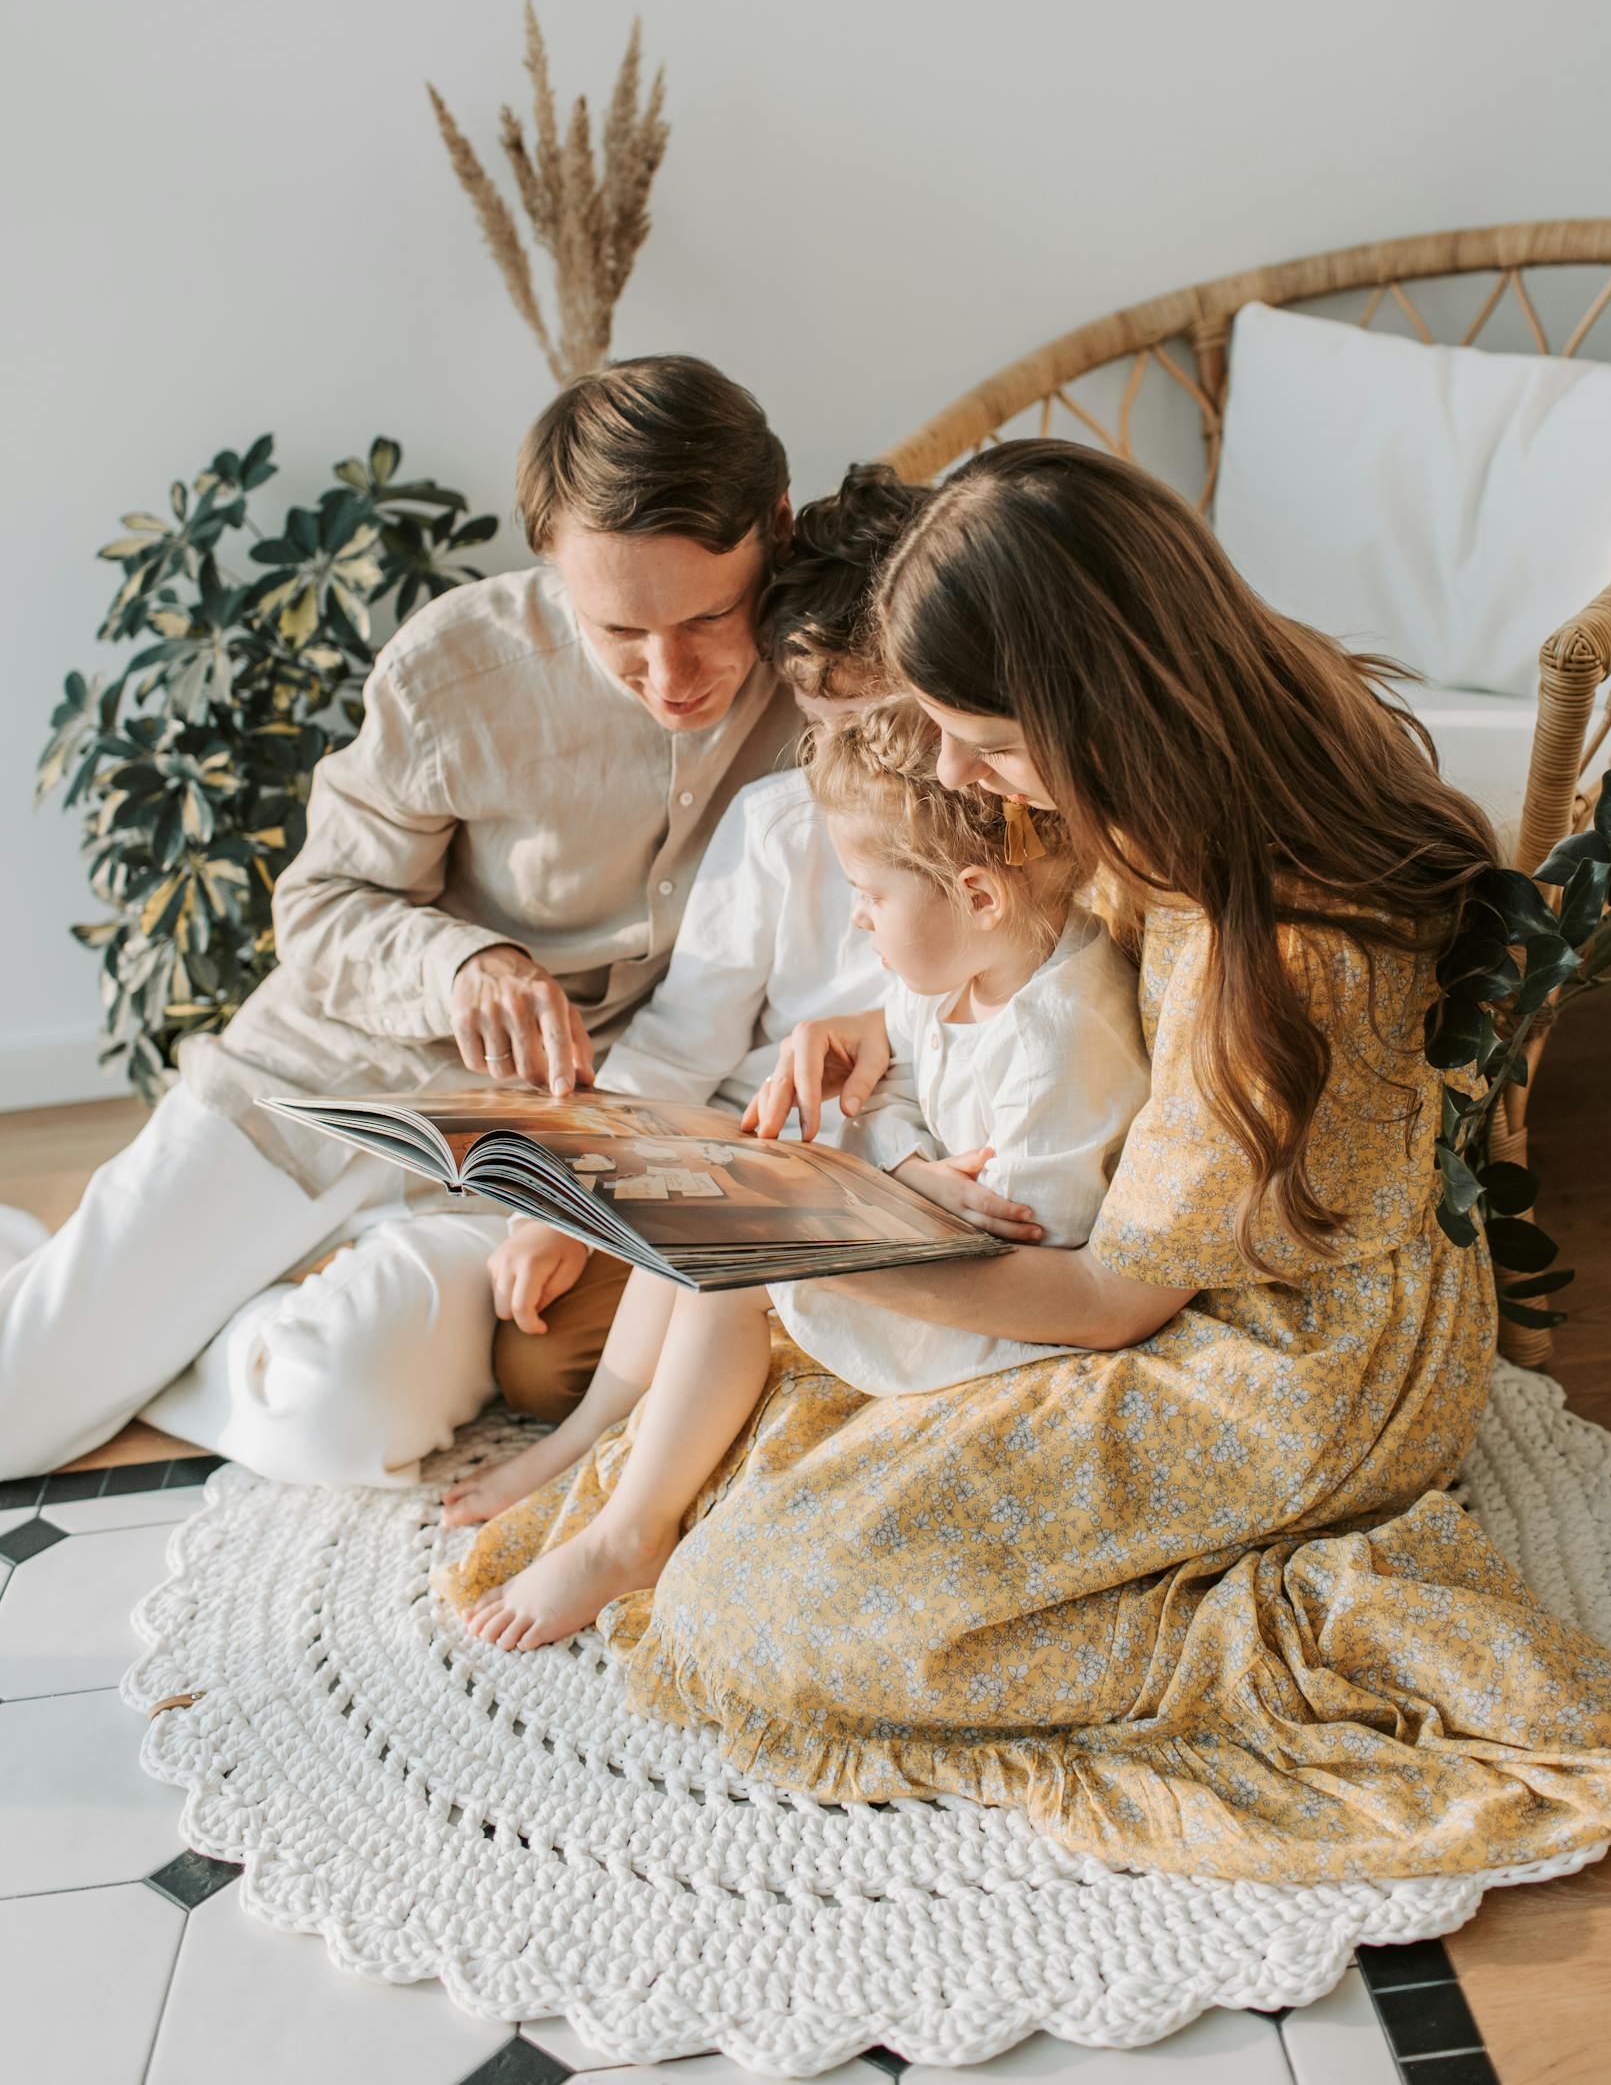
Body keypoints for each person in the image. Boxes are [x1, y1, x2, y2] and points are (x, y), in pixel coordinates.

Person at [452, 437, 1611, 1884]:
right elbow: (1062, 952)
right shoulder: (1164, 781)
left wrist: (843, 1240)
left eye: (978, 739)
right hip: (1137, 1257)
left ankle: (1293, 1622)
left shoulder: (1292, 949)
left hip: (1276, 1366)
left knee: (755, 1611)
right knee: (749, 1447)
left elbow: (1116, 1299)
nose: (950, 768)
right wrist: (885, 1020)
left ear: (1086, 699)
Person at [0, 358, 799, 1484]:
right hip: (331, 1085)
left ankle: (191, 1319)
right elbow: (322, 908)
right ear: (553, 567)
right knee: (12, 1412)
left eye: (711, 614)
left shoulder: (830, 667)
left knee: (344, 1418)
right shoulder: (459, 668)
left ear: (776, 528)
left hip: (534, 1153)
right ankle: (102, 1294)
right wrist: (464, 968)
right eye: (618, 628)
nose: (671, 674)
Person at [435, 697, 1149, 1649]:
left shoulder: (1062, 1036)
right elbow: (888, 1085)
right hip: (938, 1239)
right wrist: (897, 1165)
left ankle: (628, 1534)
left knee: (739, 1269)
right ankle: (591, 1441)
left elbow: (1037, 1234)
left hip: (1006, 1324)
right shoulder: (961, 974)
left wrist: (877, 1208)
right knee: (716, 1187)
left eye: (871, 895)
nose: (857, 921)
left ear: (979, 896)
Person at [485, 463, 936, 1419]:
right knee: (538, 1367)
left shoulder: (1003, 820)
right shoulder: (778, 826)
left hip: (893, 1173)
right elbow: (683, 1040)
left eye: (882, 724)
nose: (855, 765)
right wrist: (571, 1195)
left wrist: (889, 1029)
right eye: (826, 728)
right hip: (744, 1150)